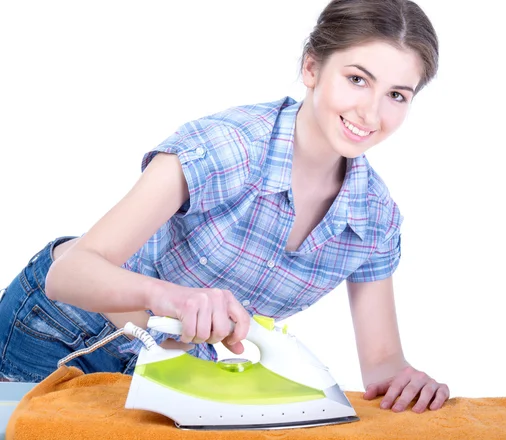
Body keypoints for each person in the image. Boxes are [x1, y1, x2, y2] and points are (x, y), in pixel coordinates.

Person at [0, 0, 449, 413]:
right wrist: (174, 300)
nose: (371, 114)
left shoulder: (374, 219)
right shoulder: (225, 148)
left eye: (396, 95)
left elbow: (382, 361)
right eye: (357, 79)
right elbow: (70, 273)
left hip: (168, 367)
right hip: (62, 329)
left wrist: (407, 382)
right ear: (312, 68)